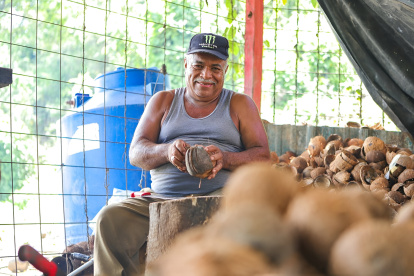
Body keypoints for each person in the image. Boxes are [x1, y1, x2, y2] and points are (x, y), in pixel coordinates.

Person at [93, 33, 270, 275]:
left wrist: (225, 158)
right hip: (161, 200)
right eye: (198, 65)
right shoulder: (163, 101)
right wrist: (166, 151)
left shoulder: (240, 104)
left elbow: (263, 157)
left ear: (225, 70)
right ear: (186, 65)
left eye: (215, 68)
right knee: (109, 219)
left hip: (220, 199)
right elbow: (136, 153)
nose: (206, 75)